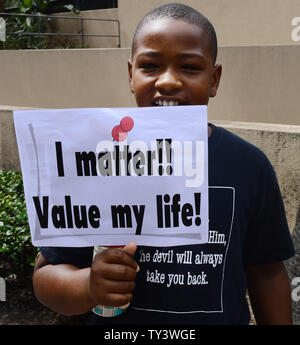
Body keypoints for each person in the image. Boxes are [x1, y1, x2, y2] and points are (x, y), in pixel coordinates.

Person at [33, 3, 295, 325]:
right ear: (131, 74)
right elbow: (46, 276)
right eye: (151, 65)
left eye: (189, 67)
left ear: (214, 79)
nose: (168, 81)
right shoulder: (95, 163)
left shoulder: (249, 166)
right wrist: (88, 286)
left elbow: (267, 273)